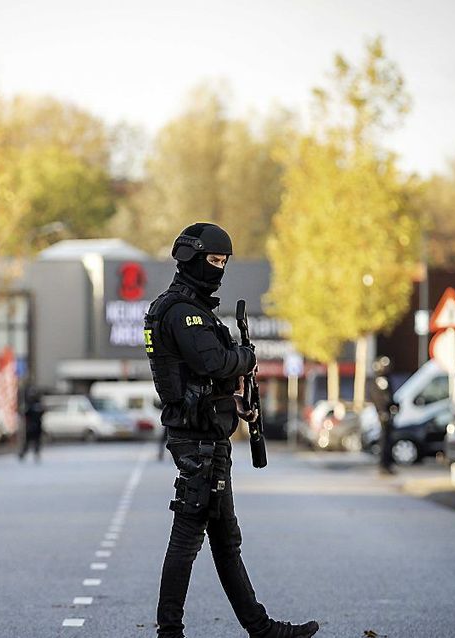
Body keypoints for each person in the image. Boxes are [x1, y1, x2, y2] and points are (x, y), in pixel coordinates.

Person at [144, 223, 319, 638]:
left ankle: (260, 628)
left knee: (226, 540)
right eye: (214, 261)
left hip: (206, 433)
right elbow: (213, 363)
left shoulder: (186, 308)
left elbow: (200, 379)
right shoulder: (182, 312)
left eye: (224, 263)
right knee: (188, 538)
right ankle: (170, 632)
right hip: (198, 441)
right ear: (190, 258)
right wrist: (245, 357)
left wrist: (233, 402)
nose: (219, 270)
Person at [369, 356, 399, 475]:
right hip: (384, 414)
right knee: (385, 441)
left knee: (388, 440)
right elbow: (382, 398)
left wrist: (395, 405)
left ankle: (387, 464)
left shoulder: (384, 379)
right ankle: (384, 465)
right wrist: (384, 411)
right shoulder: (381, 380)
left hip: (386, 413)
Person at [19, 386, 45, 463]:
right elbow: (25, 414)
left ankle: (35, 454)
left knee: (35, 442)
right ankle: (23, 454)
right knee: (28, 442)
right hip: (31, 426)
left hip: (36, 426)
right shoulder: (30, 404)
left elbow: (42, 413)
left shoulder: (37, 404)